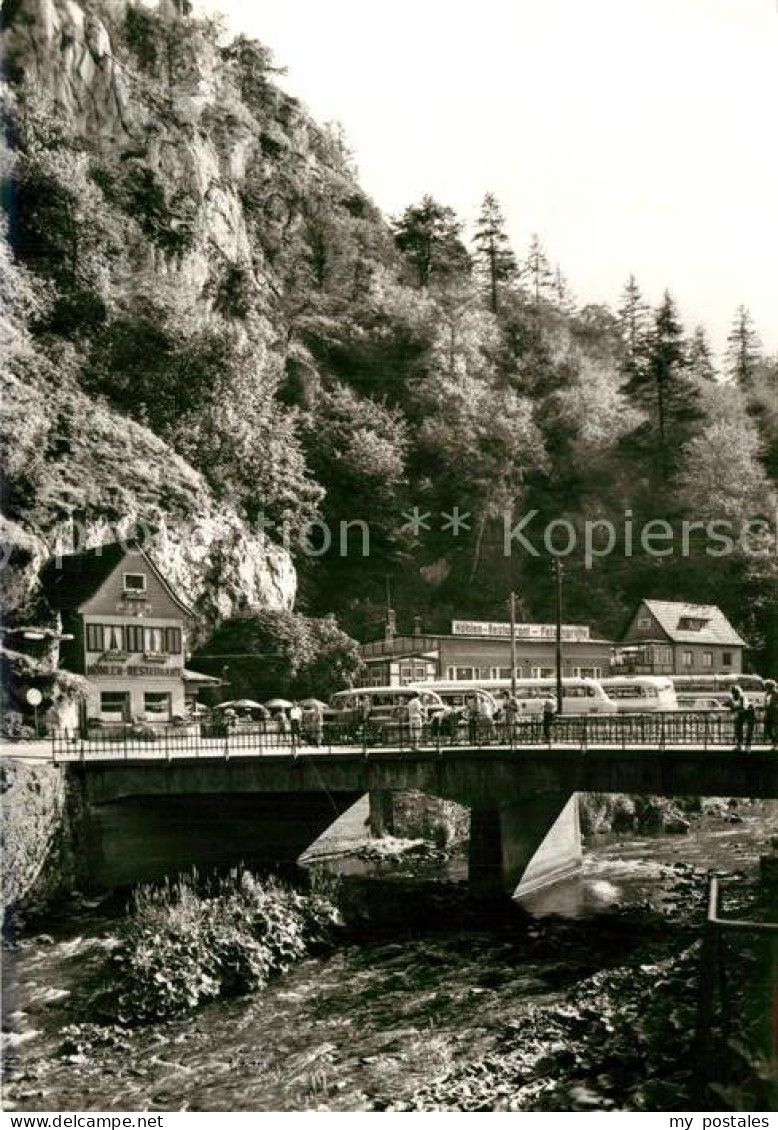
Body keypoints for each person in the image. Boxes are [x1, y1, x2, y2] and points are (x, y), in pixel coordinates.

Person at [730, 685, 755, 751]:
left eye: (735, 692)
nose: (734, 694)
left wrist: (734, 709)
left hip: (749, 713)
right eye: (733, 692)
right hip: (742, 713)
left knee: (748, 730)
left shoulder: (742, 697)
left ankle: (747, 746)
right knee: (738, 728)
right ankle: (740, 745)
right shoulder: (734, 697)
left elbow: (742, 707)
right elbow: (735, 706)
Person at [762, 680, 778, 749]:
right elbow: (766, 703)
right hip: (768, 713)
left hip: (775, 713)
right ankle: (774, 741)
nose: (766, 688)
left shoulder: (776, 694)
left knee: (775, 729)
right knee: (767, 729)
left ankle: (775, 743)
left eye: (766, 687)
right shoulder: (767, 694)